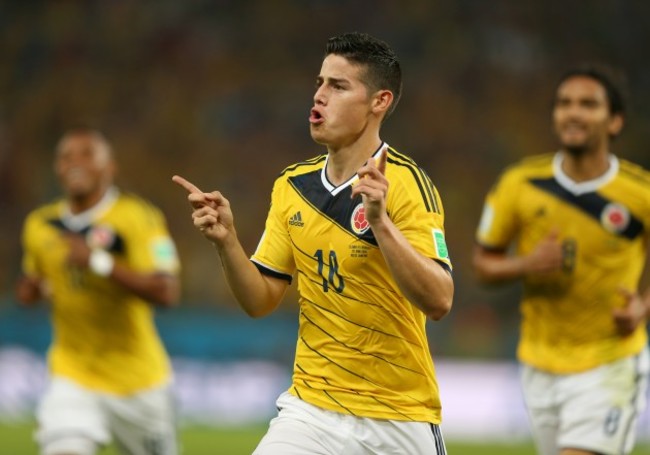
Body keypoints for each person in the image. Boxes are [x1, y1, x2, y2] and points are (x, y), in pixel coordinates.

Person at [173, 31, 454, 454]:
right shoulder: (292, 186)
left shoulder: (409, 185)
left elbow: (439, 300)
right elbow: (260, 300)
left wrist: (381, 224)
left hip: (398, 417)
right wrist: (227, 241)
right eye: (320, 83)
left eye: (338, 86)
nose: (320, 96)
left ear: (379, 102)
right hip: (312, 411)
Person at [473, 65, 650, 455]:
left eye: (588, 104)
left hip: (609, 363)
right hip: (539, 363)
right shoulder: (520, 183)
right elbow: (483, 263)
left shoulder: (640, 193)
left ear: (615, 121)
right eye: (564, 103)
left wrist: (643, 306)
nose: (573, 112)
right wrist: (525, 264)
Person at [16, 126, 182, 455]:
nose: (75, 163)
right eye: (66, 157)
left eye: (87, 155)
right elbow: (28, 288)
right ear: (57, 168)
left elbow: (167, 292)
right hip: (72, 374)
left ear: (110, 167)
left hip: (139, 382)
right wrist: (33, 290)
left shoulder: (139, 218)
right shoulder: (40, 225)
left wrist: (98, 262)